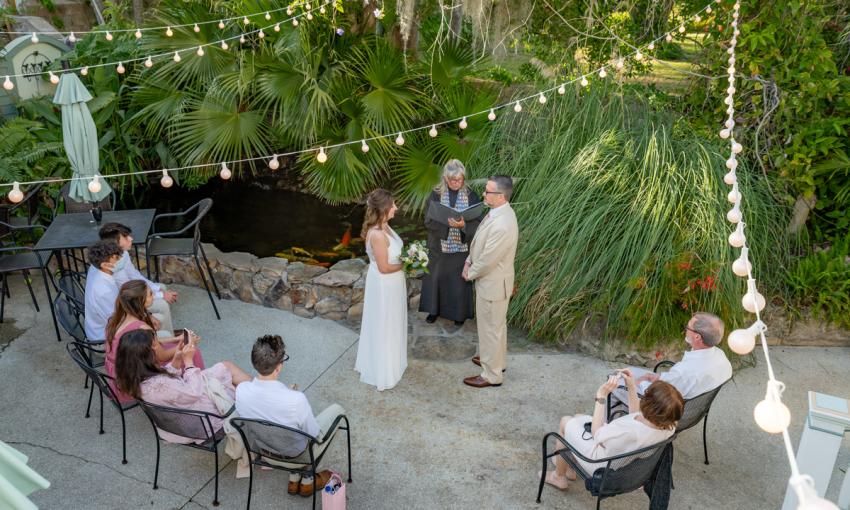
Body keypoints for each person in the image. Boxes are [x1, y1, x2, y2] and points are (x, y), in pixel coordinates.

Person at [236, 335, 345, 497]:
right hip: (297, 455)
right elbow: (314, 434)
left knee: (295, 426)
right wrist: (291, 398)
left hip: (265, 451)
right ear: (279, 367)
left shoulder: (241, 390)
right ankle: (308, 480)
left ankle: (294, 478)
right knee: (338, 410)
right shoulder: (296, 400)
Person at [542, 373, 684, 490]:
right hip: (626, 465)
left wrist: (601, 396)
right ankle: (568, 467)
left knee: (566, 422)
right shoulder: (668, 425)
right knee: (579, 418)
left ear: (649, 406)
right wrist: (631, 386)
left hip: (601, 465)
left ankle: (558, 477)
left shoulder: (628, 433)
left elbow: (596, 434)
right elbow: (635, 416)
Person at [114, 328, 251, 444]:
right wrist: (188, 361)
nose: (159, 347)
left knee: (225, 367)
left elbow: (168, 386)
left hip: (176, 424)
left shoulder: (135, 379)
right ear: (146, 355)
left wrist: (177, 358)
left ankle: (258, 394)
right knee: (227, 371)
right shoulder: (161, 385)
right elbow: (193, 393)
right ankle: (260, 398)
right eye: (155, 345)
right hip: (203, 425)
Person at [104, 280, 206, 403]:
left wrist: (175, 339)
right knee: (194, 353)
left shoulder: (115, 319)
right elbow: (162, 357)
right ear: (141, 301)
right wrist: (187, 343)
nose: (154, 296)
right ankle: (195, 389)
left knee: (172, 343)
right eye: (150, 294)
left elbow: (147, 343)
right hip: (134, 376)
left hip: (119, 370)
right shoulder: (142, 327)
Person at [462, 176, 519, 388]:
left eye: (488, 192)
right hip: (492, 282)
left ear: (501, 196)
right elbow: (480, 243)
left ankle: (491, 375)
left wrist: (470, 272)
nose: (484, 194)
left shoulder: (503, 222)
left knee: (490, 329)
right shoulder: (497, 212)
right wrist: (469, 260)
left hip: (493, 284)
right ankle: (496, 360)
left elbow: (488, 258)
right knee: (496, 327)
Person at [611, 312, 733, 408]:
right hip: (686, 405)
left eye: (687, 327)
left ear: (697, 337)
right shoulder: (722, 359)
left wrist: (642, 382)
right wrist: (660, 378)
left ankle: (601, 430)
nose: (685, 330)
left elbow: (660, 393)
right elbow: (678, 382)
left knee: (616, 381)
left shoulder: (684, 372)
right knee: (628, 373)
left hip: (663, 408)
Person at [354, 189, 408, 391]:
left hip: (393, 284)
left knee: (393, 321)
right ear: (384, 208)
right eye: (393, 204)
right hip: (384, 285)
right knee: (384, 323)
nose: (396, 207)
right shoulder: (376, 234)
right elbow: (384, 268)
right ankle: (383, 370)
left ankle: (393, 362)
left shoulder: (386, 226)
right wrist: (407, 264)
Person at [420, 160, 483, 326]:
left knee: (458, 283)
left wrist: (463, 226)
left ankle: (458, 314)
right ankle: (434, 311)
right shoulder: (435, 194)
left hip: (461, 247)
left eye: (460, 179)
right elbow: (428, 220)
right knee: (436, 279)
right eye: (453, 180)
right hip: (439, 245)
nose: (456, 183)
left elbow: (478, 221)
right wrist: (447, 225)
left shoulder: (471, 195)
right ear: (445, 179)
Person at [99, 222, 178, 334]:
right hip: (124, 308)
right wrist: (159, 297)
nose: (131, 238)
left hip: (128, 300)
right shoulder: (111, 266)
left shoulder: (122, 254)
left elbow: (134, 275)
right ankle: (166, 339)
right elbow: (131, 295)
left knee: (161, 287)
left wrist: (156, 289)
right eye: (126, 237)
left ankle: (165, 333)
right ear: (114, 243)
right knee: (163, 304)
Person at [84, 241, 125, 341]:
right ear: (105, 265)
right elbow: (118, 321)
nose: (121, 259)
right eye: (117, 258)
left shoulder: (100, 271)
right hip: (104, 340)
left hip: (109, 326)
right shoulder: (104, 292)